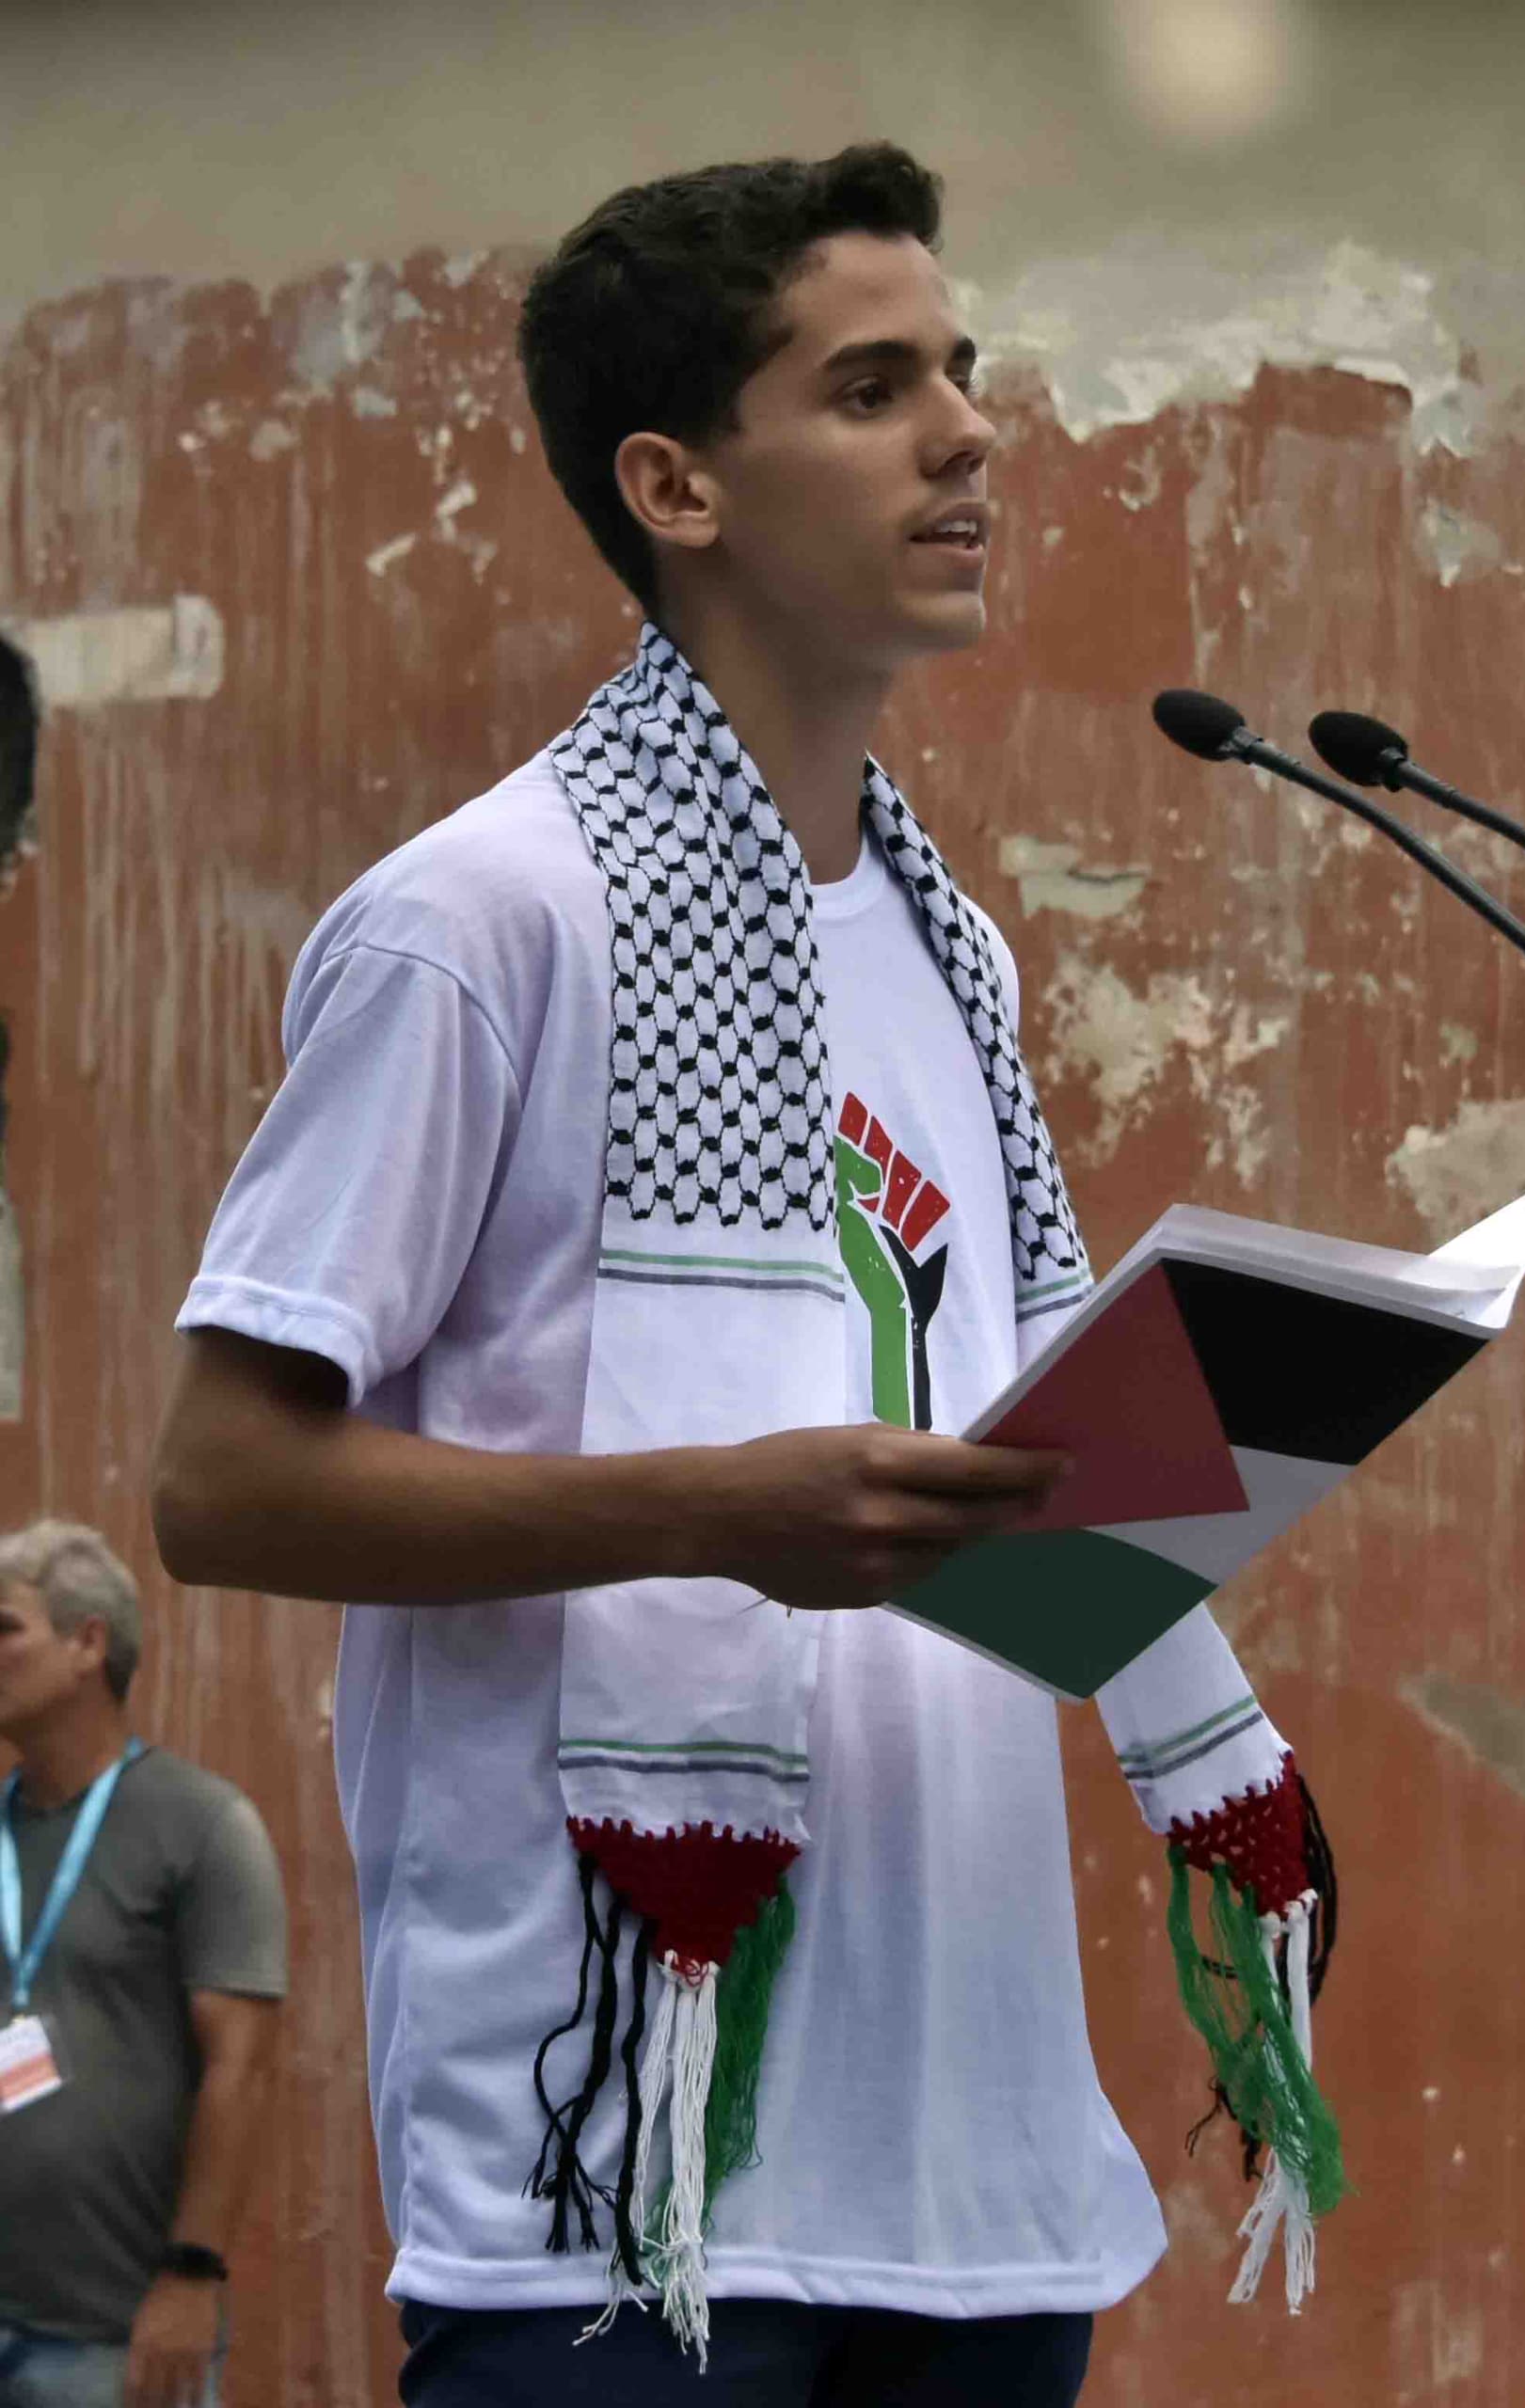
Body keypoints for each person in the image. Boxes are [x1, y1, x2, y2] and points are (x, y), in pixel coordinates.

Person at [151, 144, 1332, 2407]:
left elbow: (1013, 1486)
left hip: (968, 2148)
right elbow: (219, 1483)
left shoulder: (956, 956)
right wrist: (716, 1509)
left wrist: (1223, 1427)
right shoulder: (481, 920)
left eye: (959, 373)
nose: (969, 432)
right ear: (676, 482)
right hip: (614, 2157)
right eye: (872, 385)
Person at [0, 1521, 287, 2408]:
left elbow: (239, 2070)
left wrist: (191, 2275)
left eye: (4, 1628)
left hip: (114, 2339)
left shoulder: (201, 1825)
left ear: (88, 1643)